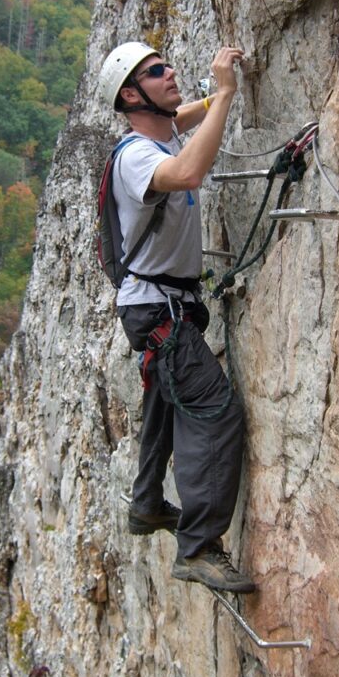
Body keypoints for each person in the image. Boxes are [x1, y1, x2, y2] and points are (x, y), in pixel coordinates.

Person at [98, 41, 256, 594]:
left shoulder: (159, 132)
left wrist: (214, 99)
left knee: (166, 400)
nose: (170, 73)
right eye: (155, 72)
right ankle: (199, 548)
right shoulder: (137, 156)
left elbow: (184, 118)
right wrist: (227, 94)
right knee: (214, 410)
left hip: (159, 305)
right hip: (158, 307)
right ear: (130, 96)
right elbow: (188, 173)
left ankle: (147, 502)